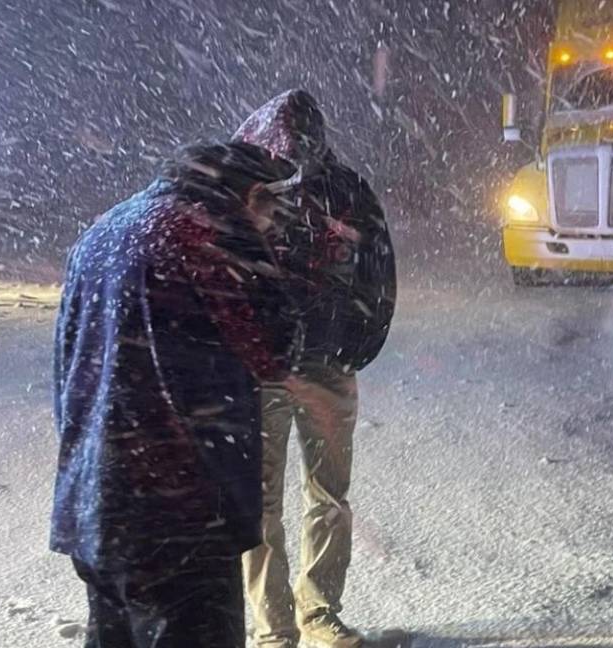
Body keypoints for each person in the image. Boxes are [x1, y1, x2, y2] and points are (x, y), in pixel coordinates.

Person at [52, 141, 301, 648]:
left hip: (96, 499)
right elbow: (277, 346)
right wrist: (265, 254)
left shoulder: (105, 229)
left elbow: (67, 359)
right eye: (271, 210)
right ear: (251, 194)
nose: (273, 224)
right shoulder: (212, 231)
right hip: (183, 512)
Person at [232, 90, 397, 648]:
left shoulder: (344, 189)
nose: (297, 152)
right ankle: (273, 625)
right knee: (262, 500)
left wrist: (360, 345)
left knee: (325, 494)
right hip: (264, 369)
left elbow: (378, 268)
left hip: (325, 364)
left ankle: (318, 613)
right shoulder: (248, 194)